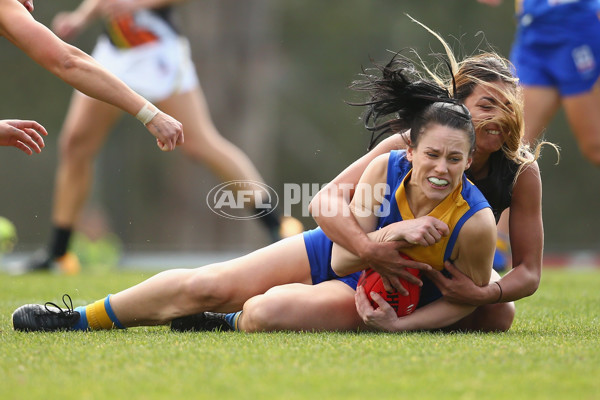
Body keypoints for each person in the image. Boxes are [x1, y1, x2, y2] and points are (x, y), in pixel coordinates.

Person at [12, 52, 499, 333]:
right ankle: (78, 318)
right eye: (432, 155)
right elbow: (343, 259)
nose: (441, 168)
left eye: (455, 159)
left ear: (469, 160)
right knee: (207, 285)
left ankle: (219, 322)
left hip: (387, 294)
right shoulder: (385, 168)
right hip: (339, 253)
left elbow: (473, 296)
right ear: (410, 149)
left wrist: (398, 325)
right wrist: (391, 235)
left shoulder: (475, 220)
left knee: (262, 313)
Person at [13, 0, 301, 275]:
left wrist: (137, 4)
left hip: (157, 50)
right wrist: (81, 16)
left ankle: (278, 226)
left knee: (200, 143)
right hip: (115, 52)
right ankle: (58, 253)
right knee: (75, 144)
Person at [309, 21, 552, 332]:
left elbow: (529, 272)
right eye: (487, 105)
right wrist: (367, 247)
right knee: (226, 289)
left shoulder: (521, 170)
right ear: (457, 107)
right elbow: (325, 201)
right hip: (356, 244)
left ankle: (418, 315)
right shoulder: (410, 143)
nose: (500, 117)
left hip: (431, 266)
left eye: (509, 107)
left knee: (499, 314)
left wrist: (484, 293)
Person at [477, 0, 600, 268]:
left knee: (595, 147)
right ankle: (494, 239)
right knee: (511, 142)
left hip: (578, 31)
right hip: (534, 35)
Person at [0, 0, 183, 153]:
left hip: (157, 48)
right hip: (137, 47)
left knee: (195, 142)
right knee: (74, 144)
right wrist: (150, 115)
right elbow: (68, 62)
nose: (30, 5)